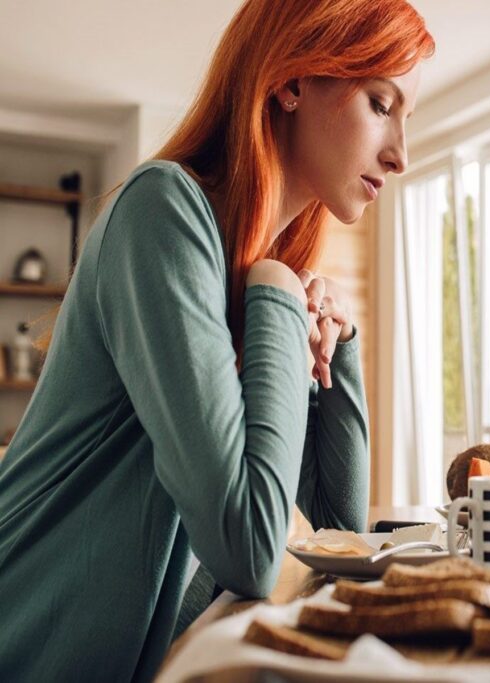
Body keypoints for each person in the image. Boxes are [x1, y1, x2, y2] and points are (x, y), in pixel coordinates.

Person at [0, 1, 433, 680]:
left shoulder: (251, 276)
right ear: (293, 80)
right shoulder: (162, 212)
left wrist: (338, 342)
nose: (401, 153)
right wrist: (281, 294)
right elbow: (250, 551)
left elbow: (332, 535)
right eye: (381, 103)